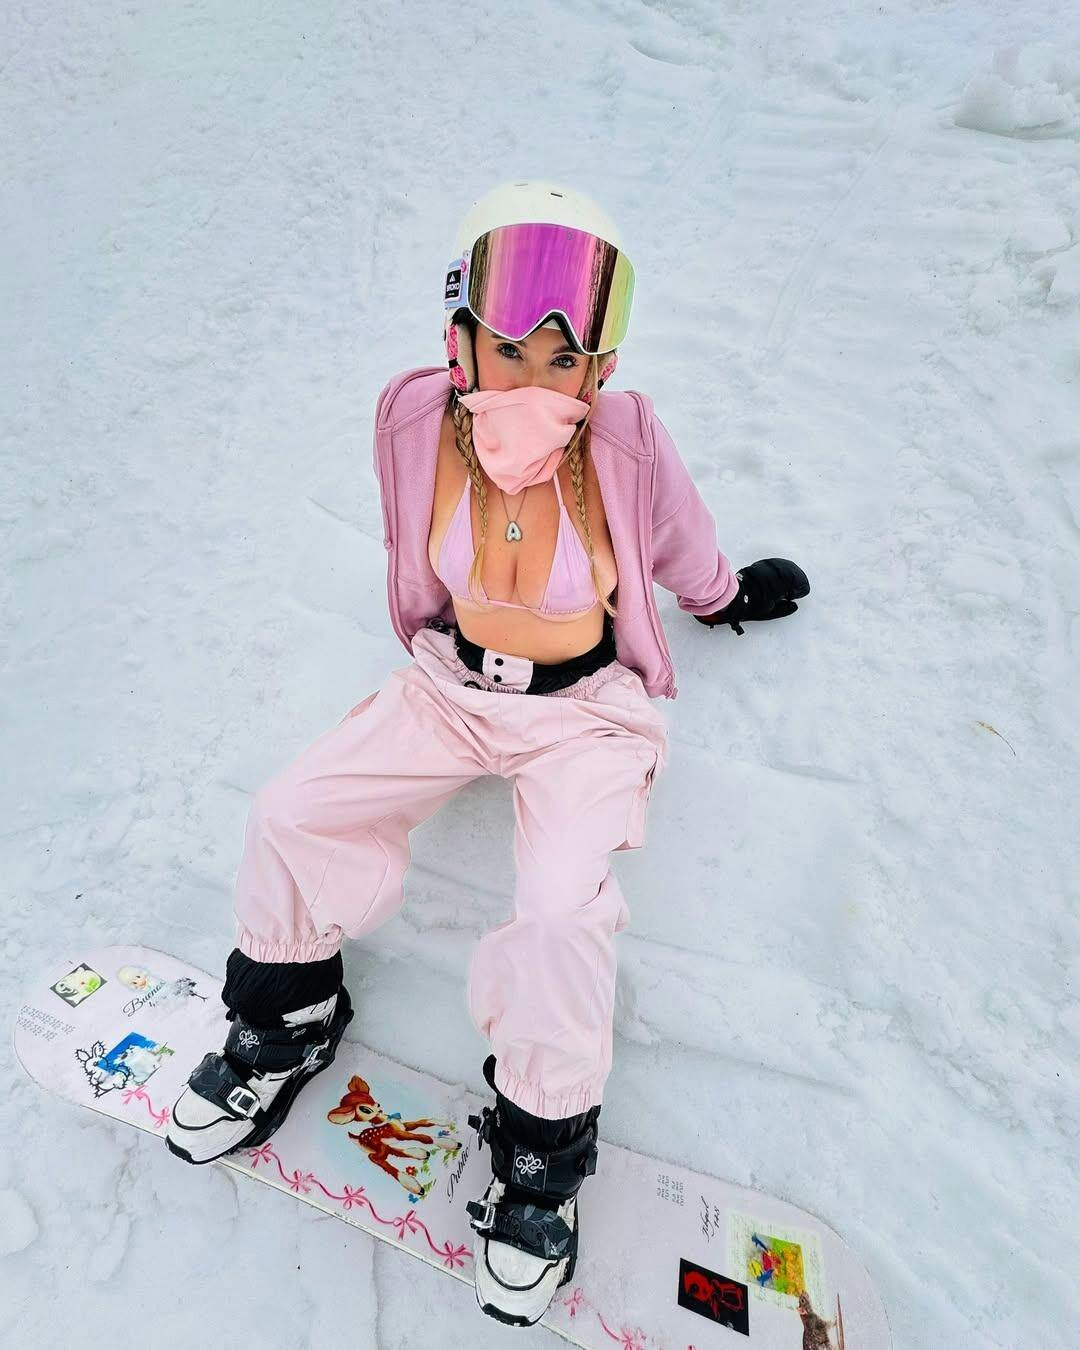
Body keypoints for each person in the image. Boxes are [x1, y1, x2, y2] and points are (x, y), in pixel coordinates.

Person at [164, 179, 809, 1327]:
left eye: (562, 359)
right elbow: (415, 551)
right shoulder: (415, 419)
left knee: (559, 913)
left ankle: (542, 1154)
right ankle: (287, 1019)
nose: (532, 379)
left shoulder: (624, 441)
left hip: (582, 712)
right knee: (292, 812)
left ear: (598, 367)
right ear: (459, 339)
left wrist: (720, 595)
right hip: (452, 686)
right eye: (508, 349)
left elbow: (677, 536)